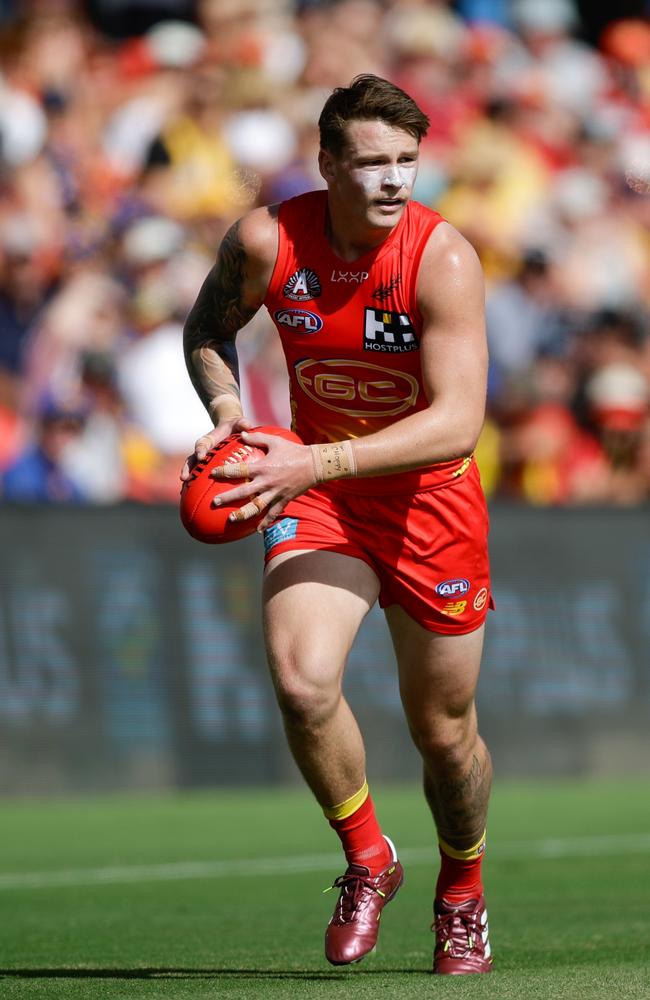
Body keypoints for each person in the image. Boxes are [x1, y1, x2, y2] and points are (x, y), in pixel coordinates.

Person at [182, 74, 493, 975]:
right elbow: (208, 325)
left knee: (443, 733)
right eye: (372, 163)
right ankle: (369, 857)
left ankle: (463, 890)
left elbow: (457, 421)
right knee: (300, 680)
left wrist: (309, 460)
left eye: (406, 161)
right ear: (326, 164)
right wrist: (231, 411)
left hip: (427, 502)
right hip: (316, 491)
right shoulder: (269, 238)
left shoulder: (443, 259)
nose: (394, 180)